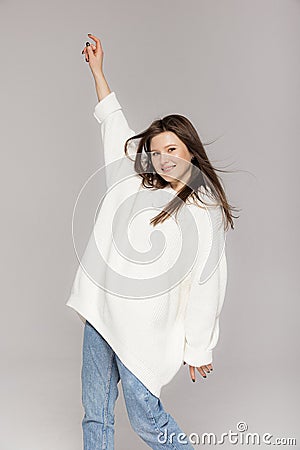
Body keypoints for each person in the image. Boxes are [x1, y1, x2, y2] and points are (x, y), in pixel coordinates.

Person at [66, 34, 237, 450]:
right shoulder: (134, 180)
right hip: (102, 310)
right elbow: (114, 125)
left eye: (173, 149)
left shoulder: (202, 208)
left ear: (191, 152)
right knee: (95, 413)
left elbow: (206, 283)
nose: (163, 159)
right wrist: (98, 71)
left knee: (145, 418)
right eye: (156, 151)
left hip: (144, 330)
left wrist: (199, 346)